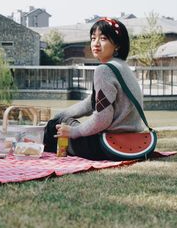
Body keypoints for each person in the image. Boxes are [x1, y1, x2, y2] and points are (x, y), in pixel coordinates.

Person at [43, 17, 144, 160]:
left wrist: (73, 131)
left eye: (103, 38)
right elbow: (92, 103)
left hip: (104, 146)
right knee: (61, 118)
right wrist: (62, 113)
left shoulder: (104, 70)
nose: (95, 43)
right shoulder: (122, 66)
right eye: (93, 38)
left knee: (55, 125)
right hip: (131, 141)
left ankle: (41, 155)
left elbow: (102, 119)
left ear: (117, 45)